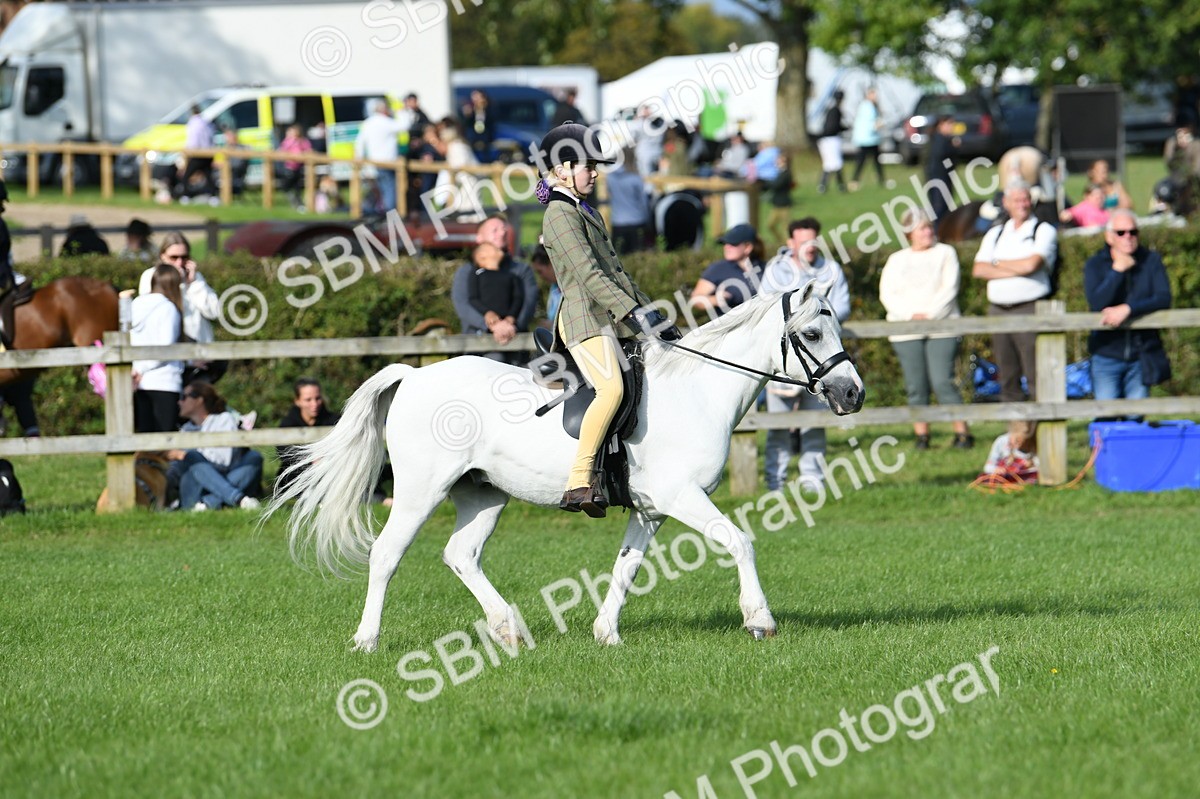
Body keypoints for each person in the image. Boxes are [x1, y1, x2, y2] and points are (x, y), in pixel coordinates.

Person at [537, 121, 681, 517]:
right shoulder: (559, 215)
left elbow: (618, 273)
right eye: (588, 166)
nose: (595, 173)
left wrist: (651, 312)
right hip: (584, 319)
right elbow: (589, 275)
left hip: (611, 316)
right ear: (562, 169)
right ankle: (579, 479)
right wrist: (633, 313)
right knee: (611, 390)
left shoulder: (587, 211)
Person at [759, 217, 851, 491]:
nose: (810, 247)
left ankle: (813, 482)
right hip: (785, 362)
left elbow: (843, 307)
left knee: (814, 423)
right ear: (790, 243)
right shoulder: (776, 270)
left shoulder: (831, 269)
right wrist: (810, 315)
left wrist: (813, 318)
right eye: (803, 242)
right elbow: (766, 305)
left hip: (821, 359)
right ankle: (775, 483)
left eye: (813, 241)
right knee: (778, 426)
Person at [878, 211, 972, 449]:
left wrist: (930, 316)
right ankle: (922, 435)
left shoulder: (945, 253)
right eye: (922, 228)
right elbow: (888, 294)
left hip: (942, 326)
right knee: (915, 385)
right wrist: (911, 316)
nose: (928, 232)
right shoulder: (896, 260)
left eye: (929, 227)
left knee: (942, 381)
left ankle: (962, 433)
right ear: (909, 233)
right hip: (906, 329)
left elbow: (950, 288)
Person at [971, 181, 1058, 403]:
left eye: (1026, 199)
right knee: (1007, 375)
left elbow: (1032, 265)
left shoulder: (1043, 230)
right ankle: (1017, 432)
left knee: (1036, 373)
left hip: (1029, 308)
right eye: (1018, 200)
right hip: (999, 311)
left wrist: (997, 264)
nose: (1023, 204)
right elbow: (979, 269)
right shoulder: (996, 233)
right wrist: (1016, 267)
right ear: (1006, 203)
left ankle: (1042, 431)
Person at [1083, 209, 1172, 401]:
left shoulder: (1151, 260)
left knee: (1135, 418)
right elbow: (1096, 303)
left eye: (1133, 232)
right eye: (1121, 232)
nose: (1128, 237)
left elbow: (1164, 298)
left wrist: (1129, 309)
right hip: (1106, 352)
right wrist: (1117, 271)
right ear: (1109, 236)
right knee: (1106, 415)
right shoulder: (1095, 264)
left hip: (1141, 354)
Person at [138, 232, 224, 384]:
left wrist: (194, 284)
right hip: (170, 360)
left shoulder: (195, 278)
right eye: (174, 258)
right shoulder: (151, 276)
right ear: (162, 256)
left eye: (184, 258)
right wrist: (173, 283)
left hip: (200, 356)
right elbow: (153, 318)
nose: (179, 263)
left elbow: (214, 311)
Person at [166, 381, 263, 511]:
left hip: (224, 477)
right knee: (191, 457)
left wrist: (188, 456)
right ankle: (238, 499)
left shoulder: (224, 420)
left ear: (199, 400)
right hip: (195, 489)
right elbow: (176, 471)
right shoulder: (185, 430)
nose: (179, 402)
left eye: (184, 397)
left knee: (254, 457)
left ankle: (207, 503)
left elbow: (223, 460)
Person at [452, 216, 539, 353]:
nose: (502, 233)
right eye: (495, 230)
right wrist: (492, 326)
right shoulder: (467, 272)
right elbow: (463, 305)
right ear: (479, 238)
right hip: (477, 348)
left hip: (515, 345)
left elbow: (528, 303)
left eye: (504, 229)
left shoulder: (522, 270)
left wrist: (510, 325)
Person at [131, 264, 185, 433]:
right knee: (164, 439)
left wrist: (137, 368)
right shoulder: (169, 309)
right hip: (164, 381)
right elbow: (165, 348)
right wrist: (143, 368)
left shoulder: (135, 304)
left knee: (146, 435)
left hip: (140, 381)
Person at [276, 377, 340, 495]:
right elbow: (283, 451)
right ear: (297, 401)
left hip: (330, 470)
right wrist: (310, 459)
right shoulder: (288, 424)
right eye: (308, 400)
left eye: (317, 398)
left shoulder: (335, 421)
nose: (314, 404)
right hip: (297, 475)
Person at [689, 223, 764, 318]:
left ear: (748, 247)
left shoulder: (764, 267)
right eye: (725, 243)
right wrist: (714, 300)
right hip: (729, 327)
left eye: (733, 244)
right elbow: (696, 299)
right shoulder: (718, 269)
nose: (726, 247)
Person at [466, 242, 524, 361]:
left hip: (509, 326)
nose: (498, 248)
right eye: (492, 248)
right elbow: (473, 298)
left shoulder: (511, 276)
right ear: (482, 257)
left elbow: (518, 298)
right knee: (495, 359)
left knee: (515, 362)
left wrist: (511, 317)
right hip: (487, 330)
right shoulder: (477, 274)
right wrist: (487, 313)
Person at [354, 99, 410, 214]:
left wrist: (359, 160)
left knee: (381, 189)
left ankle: (381, 212)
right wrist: (401, 112)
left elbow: (359, 143)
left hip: (374, 163)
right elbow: (405, 126)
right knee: (389, 189)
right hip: (388, 162)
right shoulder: (386, 122)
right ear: (384, 110)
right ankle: (390, 213)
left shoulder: (368, 123)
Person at [607, 148, 653, 254]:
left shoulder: (610, 177)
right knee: (638, 258)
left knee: (619, 259)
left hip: (618, 222)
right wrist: (648, 221)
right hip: (637, 221)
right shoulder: (636, 177)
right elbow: (644, 203)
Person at [850, 87, 889, 190]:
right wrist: (882, 123)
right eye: (873, 95)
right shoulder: (868, 107)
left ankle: (881, 180)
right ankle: (855, 181)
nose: (875, 97)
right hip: (867, 139)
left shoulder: (867, 106)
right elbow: (872, 124)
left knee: (875, 161)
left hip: (870, 139)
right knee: (862, 161)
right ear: (868, 95)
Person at [925, 115, 960, 223]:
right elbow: (941, 156)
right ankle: (937, 230)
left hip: (940, 176)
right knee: (939, 206)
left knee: (942, 204)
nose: (951, 127)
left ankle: (941, 230)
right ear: (941, 125)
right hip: (940, 176)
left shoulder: (940, 138)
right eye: (949, 124)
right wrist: (953, 148)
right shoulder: (941, 140)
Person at [816, 90, 847, 194]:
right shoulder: (836, 111)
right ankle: (840, 186)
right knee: (836, 163)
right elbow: (834, 127)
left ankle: (823, 186)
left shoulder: (830, 110)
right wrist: (845, 128)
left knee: (829, 163)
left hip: (825, 140)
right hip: (831, 140)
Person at [278, 124, 313, 207]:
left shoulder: (303, 141)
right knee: (286, 185)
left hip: (299, 167)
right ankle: (293, 199)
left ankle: (298, 201)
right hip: (289, 167)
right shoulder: (287, 142)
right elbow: (282, 150)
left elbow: (309, 150)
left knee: (297, 186)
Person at [763, 152, 794, 246]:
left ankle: (789, 244)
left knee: (786, 227)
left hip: (783, 205)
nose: (777, 162)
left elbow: (776, 185)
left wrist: (765, 182)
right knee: (770, 225)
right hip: (776, 205)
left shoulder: (786, 174)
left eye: (779, 160)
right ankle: (781, 241)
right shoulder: (779, 173)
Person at [529, 245, 561, 329]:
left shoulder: (568, 290)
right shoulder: (554, 289)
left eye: (540, 271)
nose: (541, 276)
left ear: (551, 264)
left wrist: (552, 326)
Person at [461, 89, 496, 163]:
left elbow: (492, 121)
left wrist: (483, 108)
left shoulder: (489, 108)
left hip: (486, 138)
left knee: (486, 158)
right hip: (473, 138)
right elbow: (466, 124)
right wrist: (468, 114)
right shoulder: (471, 110)